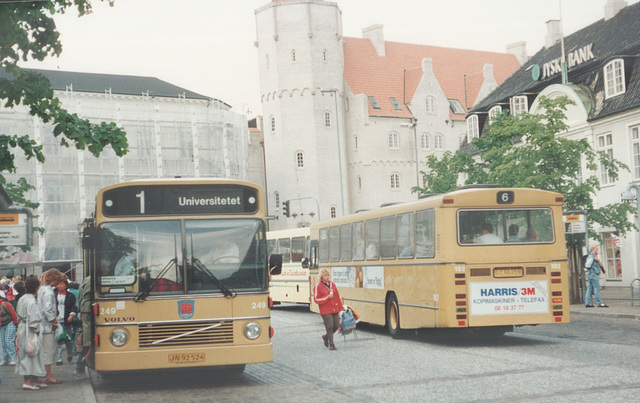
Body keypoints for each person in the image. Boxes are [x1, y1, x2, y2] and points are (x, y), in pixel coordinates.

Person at [15, 275, 46, 390]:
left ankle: (33, 378)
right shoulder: (32, 302)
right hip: (30, 330)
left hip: (23, 328)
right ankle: (28, 380)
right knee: (31, 353)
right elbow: (33, 320)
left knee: (27, 353)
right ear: (37, 288)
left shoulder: (23, 298)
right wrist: (37, 331)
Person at [37, 268, 65, 384]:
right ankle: (48, 375)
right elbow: (48, 309)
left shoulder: (42, 289)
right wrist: (54, 322)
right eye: (57, 281)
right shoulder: (49, 292)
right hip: (47, 327)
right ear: (54, 280)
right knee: (48, 351)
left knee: (42, 351)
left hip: (41, 325)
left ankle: (41, 374)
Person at [313, 268, 344, 351]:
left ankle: (326, 337)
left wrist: (340, 307)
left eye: (328, 275)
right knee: (329, 326)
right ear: (321, 277)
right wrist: (327, 298)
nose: (327, 277)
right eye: (325, 275)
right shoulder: (317, 286)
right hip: (325, 310)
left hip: (334, 309)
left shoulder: (332, 284)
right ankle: (332, 344)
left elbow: (337, 296)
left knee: (336, 325)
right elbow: (316, 299)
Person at [55, 277, 77, 365]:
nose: (61, 286)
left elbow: (74, 306)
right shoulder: (54, 295)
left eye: (63, 284)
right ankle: (59, 358)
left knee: (68, 338)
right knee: (58, 339)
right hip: (57, 320)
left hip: (66, 319)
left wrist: (72, 315)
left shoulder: (70, 295)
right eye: (59, 284)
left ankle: (69, 353)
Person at [74, 275, 92, 377]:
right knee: (88, 340)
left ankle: (80, 366)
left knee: (87, 339)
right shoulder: (93, 279)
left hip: (85, 309)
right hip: (88, 310)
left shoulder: (87, 279)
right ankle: (79, 367)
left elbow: (80, 296)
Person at [0, 291, 18, 366]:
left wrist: (16, 324)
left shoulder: (5, 304)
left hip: (9, 322)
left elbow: (13, 314)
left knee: (8, 340)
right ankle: (5, 358)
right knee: (3, 342)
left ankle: (14, 358)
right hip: (2, 325)